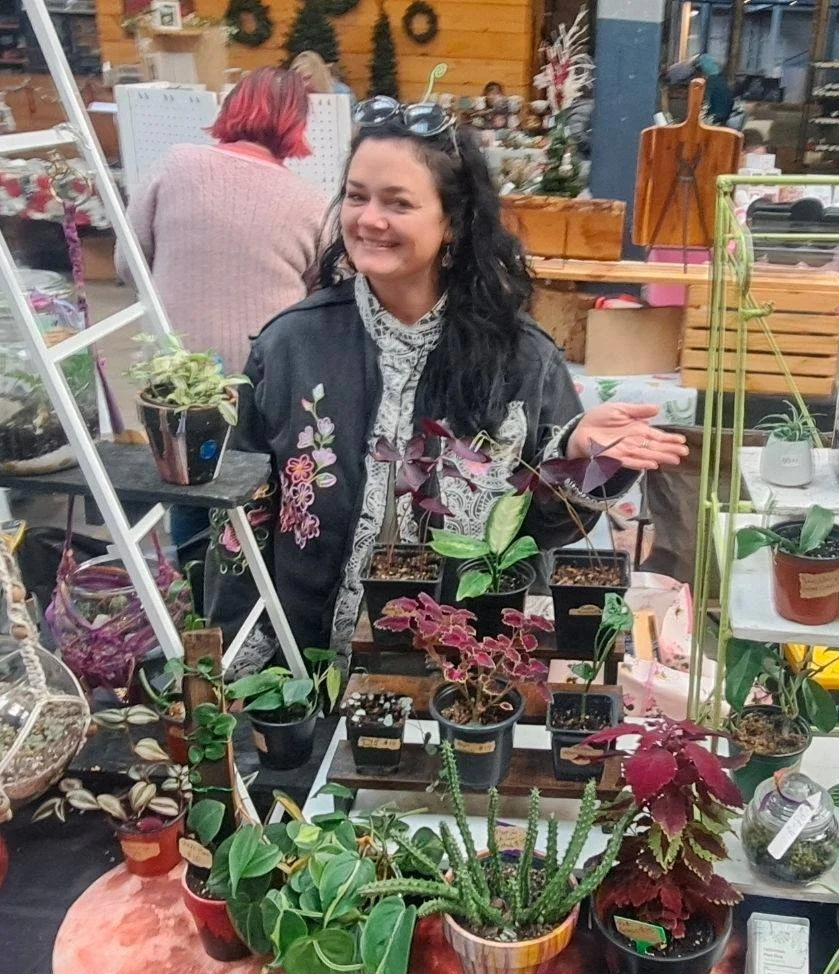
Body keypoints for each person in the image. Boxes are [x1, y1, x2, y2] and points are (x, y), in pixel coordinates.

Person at [206, 97, 688, 662]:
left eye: (398, 203)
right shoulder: (292, 345)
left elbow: (540, 530)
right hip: (303, 651)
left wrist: (582, 456)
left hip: (465, 665)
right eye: (357, 196)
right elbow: (239, 514)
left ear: (453, 222)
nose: (369, 220)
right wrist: (238, 651)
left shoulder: (520, 358)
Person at [118, 67, 329, 546]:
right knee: (253, 490)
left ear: (230, 107)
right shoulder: (312, 204)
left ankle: (195, 593)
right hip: (262, 377)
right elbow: (321, 299)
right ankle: (241, 590)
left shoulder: (175, 165)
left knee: (190, 486)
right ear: (297, 126)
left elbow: (128, 264)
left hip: (178, 372)